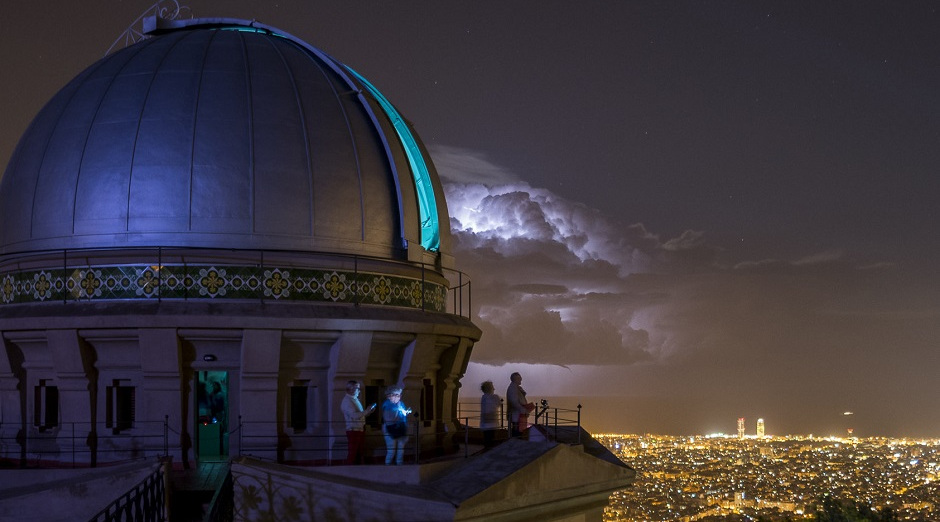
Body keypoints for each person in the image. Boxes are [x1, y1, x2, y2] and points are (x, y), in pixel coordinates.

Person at [340, 380, 375, 464]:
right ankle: (350, 468)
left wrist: (368, 412)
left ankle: (357, 467)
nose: (359, 391)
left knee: (359, 452)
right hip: (354, 430)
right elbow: (354, 415)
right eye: (357, 388)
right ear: (351, 389)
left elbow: (359, 414)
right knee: (353, 453)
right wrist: (366, 411)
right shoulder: (348, 401)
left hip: (358, 429)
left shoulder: (354, 399)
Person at [381, 386, 412, 465]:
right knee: (391, 450)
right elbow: (389, 420)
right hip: (390, 431)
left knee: (400, 449)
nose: (398, 397)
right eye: (396, 395)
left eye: (399, 395)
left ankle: (399, 465)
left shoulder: (401, 403)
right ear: (389, 396)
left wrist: (405, 412)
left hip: (401, 429)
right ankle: (388, 467)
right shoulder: (387, 405)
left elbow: (403, 416)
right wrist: (398, 409)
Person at [506, 372, 534, 437]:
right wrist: (523, 410)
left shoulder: (516, 388)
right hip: (516, 415)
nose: (521, 379)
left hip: (519, 414)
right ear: (515, 379)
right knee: (517, 433)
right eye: (519, 378)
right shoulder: (513, 388)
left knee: (519, 432)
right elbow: (514, 402)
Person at [480, 381, 500, 447]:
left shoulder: (484, 397)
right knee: (491, 439)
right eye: (492, 387)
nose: (494, 389)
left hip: (485, 423)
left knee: (487, 439)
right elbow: (498, 404)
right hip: (491, 423)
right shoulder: (493, 397)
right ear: (489, 388)